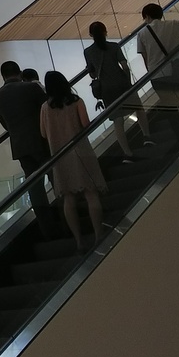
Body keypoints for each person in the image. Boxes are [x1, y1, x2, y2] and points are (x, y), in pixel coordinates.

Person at [40, 71, 108, 252]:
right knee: (91, 193)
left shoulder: (45, 108)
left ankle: (79, 241)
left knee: (68, 198)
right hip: (81, 151)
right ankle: (99, 234)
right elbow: (85, 124)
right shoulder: (76, 101)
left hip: (59, 156)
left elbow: (43, 133)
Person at [0, 60, 57, 238]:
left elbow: (5, 124)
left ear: (3, 76)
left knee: (34, 187)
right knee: (56, 177)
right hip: (42, 141)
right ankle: (65, 214)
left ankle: (47, 228)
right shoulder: (31, 88)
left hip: (20, 146)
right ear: (20, 73)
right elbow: (48, 111)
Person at [83, 21, 151, 157]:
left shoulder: (88, 52)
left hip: (107, 90)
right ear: (105, 32)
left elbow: (93, 74)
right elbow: (125, 66)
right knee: (138, 108)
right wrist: (128, 82)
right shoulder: (114, 46)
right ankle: (147, 137)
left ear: (90, 34)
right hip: (122, 84)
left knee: (118, 120)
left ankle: (127, 153)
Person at [139, 3, 179, 131]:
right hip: (177, 70)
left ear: (147, 16)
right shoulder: (173, 25)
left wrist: (151, 73)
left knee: (170, 105)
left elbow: (145, 58)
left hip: (157, 76)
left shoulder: (142, 34)